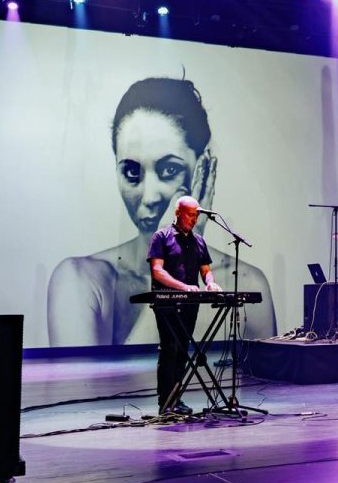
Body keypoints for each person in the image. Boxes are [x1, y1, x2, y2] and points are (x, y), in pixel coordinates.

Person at [47, 77, 275, 346]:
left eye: (169, 170)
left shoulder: (246, 283)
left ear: (202, 168)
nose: (150, 197)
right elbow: (116, 375)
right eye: (131, 172)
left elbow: (268, 373)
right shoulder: (79, 280)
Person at [148, 195, 220, 414]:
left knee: (182, 349)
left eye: (196, 215)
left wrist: (210, 283)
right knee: (169, 348)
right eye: (190, 215)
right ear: (178, 213)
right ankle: (165, 401)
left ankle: (176, 399)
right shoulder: (162, 236)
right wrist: (183, 287)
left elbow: (205, 270)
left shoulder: (198, 241)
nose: (194, 219)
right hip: (167, 302)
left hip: (190, 303)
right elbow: (157, 271)